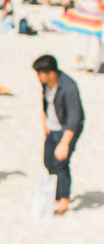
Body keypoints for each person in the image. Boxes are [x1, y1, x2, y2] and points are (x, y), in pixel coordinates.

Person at [33, 54, 84, 213]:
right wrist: (45, 125)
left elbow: (75, 118)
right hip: (51, 127)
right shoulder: (46, 84)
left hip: (68, 129)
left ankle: (64, 199)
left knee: (61, 163)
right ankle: (54, 194)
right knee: (48, 161)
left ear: (51, 73)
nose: (38, 77)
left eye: (40, 73)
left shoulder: (69, 87)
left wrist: (65, 143)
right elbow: (45, 105)